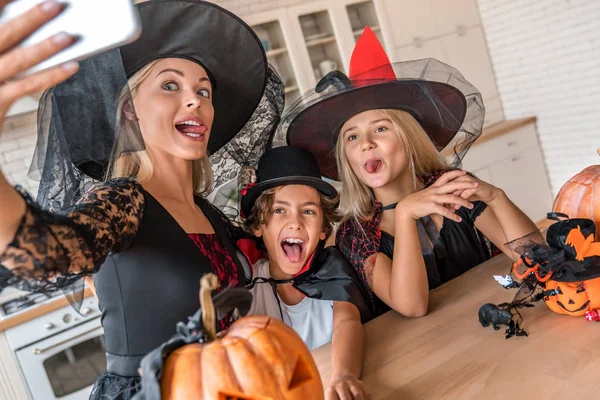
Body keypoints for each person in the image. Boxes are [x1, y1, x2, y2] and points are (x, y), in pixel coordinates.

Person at [0, 1, 283, 398]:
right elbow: (41, 251)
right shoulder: (123, 201)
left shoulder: (207, 212)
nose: (195, 100)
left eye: (203, 90)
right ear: (130, 108)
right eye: (171, 85)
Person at [279, 27, 537, 318]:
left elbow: (535, 259)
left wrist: (497, 197)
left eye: (380, 128)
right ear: (346, 158)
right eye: (352, 137)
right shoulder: (357, 233)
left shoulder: (451, 189)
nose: (366, 144)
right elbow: (412, 306)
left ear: (408, 137)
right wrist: (405, 213)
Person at [242, 146, 371, 400]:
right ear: (258, 225)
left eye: (308, 211)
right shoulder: (247, 288)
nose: (295, 222)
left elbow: (347, 321)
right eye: (280, 210)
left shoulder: (332, 271)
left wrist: (344, 375)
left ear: (323, 228)